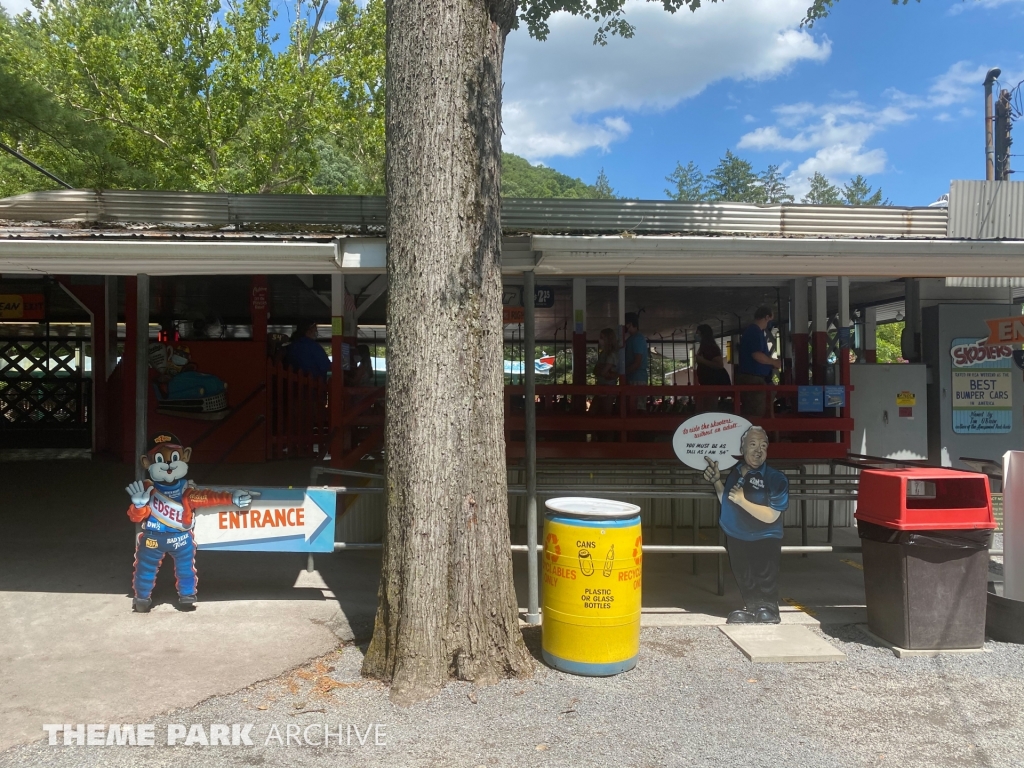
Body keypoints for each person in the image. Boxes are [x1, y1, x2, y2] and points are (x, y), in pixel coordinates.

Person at [702, 426, 789, 624]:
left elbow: (771, 515)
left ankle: (769, 609)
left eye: (763, 445)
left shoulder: (776, 478)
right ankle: (751, 607)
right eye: (753, 444)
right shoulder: (737, 471)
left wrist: (743, 501)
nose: (758, 450)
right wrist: (717, 482)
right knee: (743, 573)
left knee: (765, 574)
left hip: (764, 536)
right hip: (735, 534)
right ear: (742, 449)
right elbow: (728, 500)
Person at [737, 305, 781, 417]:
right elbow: (757, 355)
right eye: (771, 318)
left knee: (757, 411)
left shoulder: (756, 332)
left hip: (755, 377)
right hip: (753, 379)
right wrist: (773, 362)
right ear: (767, 317)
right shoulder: (754, 332)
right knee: (755, 413)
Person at [694, 323, 730, 412]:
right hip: (706, 382)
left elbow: (719, 365)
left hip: (712, 382)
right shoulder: (704, 347)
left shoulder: (711, 348)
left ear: (703, 334)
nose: (696, 336)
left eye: (698, 333)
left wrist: (702, 361)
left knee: (709, 406)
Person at [623, 312, 649, 411]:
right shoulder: (632, 339)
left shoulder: (637, 339)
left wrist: (623, 373)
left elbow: (637, 363)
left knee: (637, 408)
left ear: (629, 323)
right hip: (633, 377)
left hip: (637, 379)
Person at [592, 328, 619, 416]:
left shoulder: (612, 354)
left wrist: (602, 371)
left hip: (609, 388)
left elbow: (603, 371)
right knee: (595, 412)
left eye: (602, 337)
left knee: (606, 413)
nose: (600, 340)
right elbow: (596, 370)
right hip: (601, 385)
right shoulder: (603, 353)